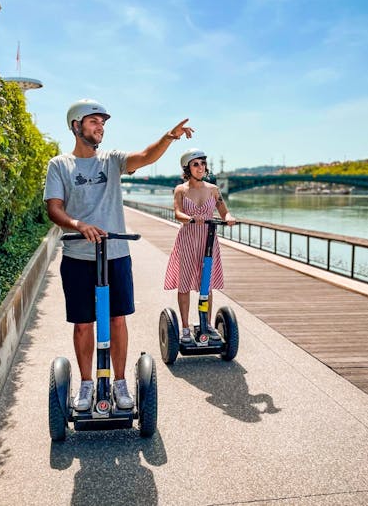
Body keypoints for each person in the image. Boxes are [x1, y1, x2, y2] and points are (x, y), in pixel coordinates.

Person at [44, 99, 193, 411]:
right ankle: (86, 384)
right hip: (78, 256)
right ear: (76, 126)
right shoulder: (59, 165)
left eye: (103, 123)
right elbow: (54, 208)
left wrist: (169, 137)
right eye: (94, 121)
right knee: (84, 324)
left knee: (116, 319)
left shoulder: (111, 160)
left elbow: (144, 156)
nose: (100, 128)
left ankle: (120, 381)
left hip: (116, 254)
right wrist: (78, 225)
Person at [164, 148, 235, 343]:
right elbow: (177, 213)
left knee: (207, 285)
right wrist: (191, 218)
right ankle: (185, 328)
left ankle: (207, 324)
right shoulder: (181, 190)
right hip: (188, 238)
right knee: (184, 283)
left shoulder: (213, 189)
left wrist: (229, 218)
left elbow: (223, 211)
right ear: (187, 168)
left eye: (203, 164)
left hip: (208, 239)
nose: (200, 167)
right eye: (196, 164)